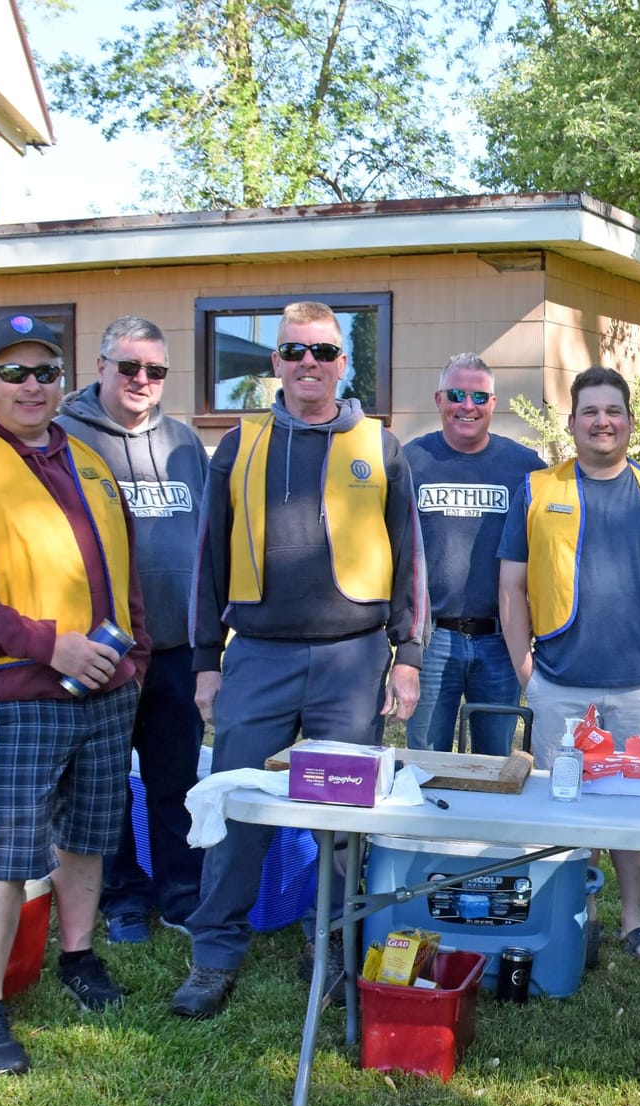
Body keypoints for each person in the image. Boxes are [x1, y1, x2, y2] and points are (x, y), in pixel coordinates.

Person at [174, 300, 427, 1018]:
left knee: (344, 818)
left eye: (322, 352)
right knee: (236, 807)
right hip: (256, 659)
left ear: (345, 363)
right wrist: (206, 660)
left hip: (352, 662)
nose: (307, 364)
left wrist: (406, 655)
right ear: (275, 364)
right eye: (292, 352)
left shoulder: (382, 446)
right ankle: (214, 952)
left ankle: (334, 947)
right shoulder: (238, 445)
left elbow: (412, 559)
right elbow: (207, 562)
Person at [0, 312, 148, 1075]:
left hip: (105, 688)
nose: (30, 385)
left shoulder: (88, 461)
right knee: (11, 850)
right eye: (12, 372)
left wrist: (131, 652)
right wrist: (51, 645)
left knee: (89, 835)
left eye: (44, 371)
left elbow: (122, 575)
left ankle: (76, 958)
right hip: (14, 693)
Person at [498, 366, 640, 965]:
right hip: (560, 685)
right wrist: (526, 674)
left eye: (613, 410)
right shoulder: (537, 489)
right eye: (590, 411)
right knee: (565, 810)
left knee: (638, 813)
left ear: (630, 422)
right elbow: (511, 589)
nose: (602, 421)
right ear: (572, 423)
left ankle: (633, 922)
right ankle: (570, 918)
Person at [58, 315, 207, 943]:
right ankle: (122, 898)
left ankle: (181, 895)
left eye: (155, 370)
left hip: (175, 648)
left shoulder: (184, 444)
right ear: (100, 368)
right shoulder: (64, 440)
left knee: (176, 780)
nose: (142, 380)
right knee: (103, 785)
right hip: (105, 650)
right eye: (129, 367)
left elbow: (209, 542)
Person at [403, 354, 545, 755]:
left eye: (479, 396)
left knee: (495, 764)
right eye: (457, 394)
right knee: (425, 763)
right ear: (439, 399)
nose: (468, 405)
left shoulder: (525, 467)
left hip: (500, 641)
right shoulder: (411, 462)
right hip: (431, 640)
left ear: (493, 403)